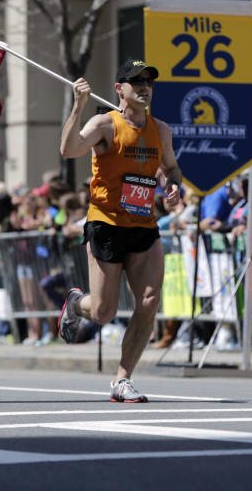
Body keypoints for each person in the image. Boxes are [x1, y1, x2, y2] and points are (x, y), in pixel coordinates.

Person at [57, 59, 182, 403]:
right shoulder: (105, 124)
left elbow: (171, 168)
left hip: (143, 225)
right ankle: (76, 302)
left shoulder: (161, 130)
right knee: (104, 312)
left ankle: (122, 380)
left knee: (150, 300)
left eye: (149, 82)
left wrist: (172, 185)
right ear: (119, 89)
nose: (144, 87)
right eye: (136, 81)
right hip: (106, 224)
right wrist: (78, 106)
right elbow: (68, 150)